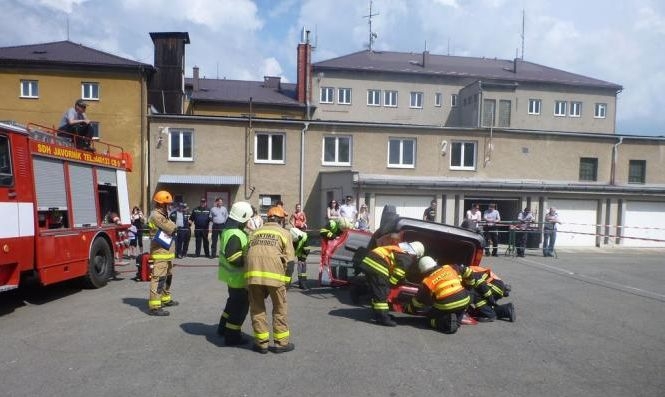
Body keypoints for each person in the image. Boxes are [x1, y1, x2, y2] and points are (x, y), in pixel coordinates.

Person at [245, 206, 297, 354]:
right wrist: (286, 283)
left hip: (253, 276)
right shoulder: (285, 233)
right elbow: (291, 262)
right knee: (280, 308)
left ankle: (261, 344)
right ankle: (281, 344)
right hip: (275, 277)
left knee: (257, 309)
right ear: (281, 220)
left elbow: (246, 254)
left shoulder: (254, 233)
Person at [358, 241, 425, 326]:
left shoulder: (400, 249)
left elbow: (396, 267)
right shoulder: (407, 257)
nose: (415, 259)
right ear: (416, 254)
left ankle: (378, 313)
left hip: (370, 260)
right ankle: (383, 318)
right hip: (378, 264)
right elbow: (398, 272)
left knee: (376, 290)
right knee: (382, 293)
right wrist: (391, 284)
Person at [216, 201, 253, 345]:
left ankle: (222, 328)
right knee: (240, 309)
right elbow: (233, 257)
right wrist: (250, 260)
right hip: (238, 278)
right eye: (248, 218)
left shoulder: (229, 230)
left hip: (231, 277)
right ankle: (232, 336)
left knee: (232, 304)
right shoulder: (236, 234)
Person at [403, 256, 470, 334]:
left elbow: (419, 301)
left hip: (447, 304)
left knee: (430, 318)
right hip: (465, 300)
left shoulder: (427, 281)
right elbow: (465, 271)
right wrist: (469, 285)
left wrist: (408, 308)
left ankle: (446, 322)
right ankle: (455, 321)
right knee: (457, 316)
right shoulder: (448, 267)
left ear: (423, 271)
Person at [146, 190, 178, 316]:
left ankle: (165, 299)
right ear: (161, 204)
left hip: (167, 252)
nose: (169, 206)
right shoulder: (156, 215)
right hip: (160, 252)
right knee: (158, 278)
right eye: (167, 204)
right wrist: (173, 226)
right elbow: (171, 228)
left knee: (167, 276)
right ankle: (155, 306)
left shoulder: (164, 214)